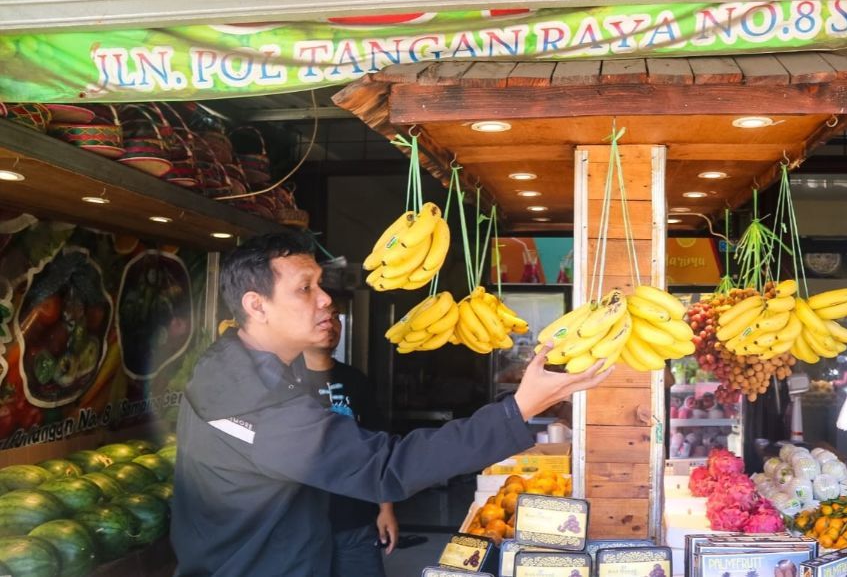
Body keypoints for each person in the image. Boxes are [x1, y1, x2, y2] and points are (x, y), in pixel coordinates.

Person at [171, 232, 612, 577]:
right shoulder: (245, 396)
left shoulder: (255, 370)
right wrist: (518, 410)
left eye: (320, 284)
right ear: (256, 306)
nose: (326, 299)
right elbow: (385, 467)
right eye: (305, 288)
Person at [301, 306, 396, 576]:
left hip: (355, 519)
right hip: (299, 524)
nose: (330, 324)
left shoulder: (356, 381)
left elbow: (378, 447)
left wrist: (386, 508)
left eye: (335, 317)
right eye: (322, 317)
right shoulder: (284, 379)